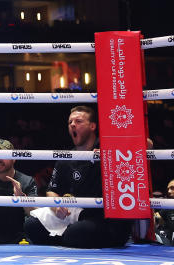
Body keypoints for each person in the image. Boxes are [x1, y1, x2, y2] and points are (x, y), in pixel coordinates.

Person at [23, 106, 131, 248]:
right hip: (74, 216)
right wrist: (57, 206)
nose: (73, 124)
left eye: (78, 121)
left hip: (103, 218)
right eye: (70, 122)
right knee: (31, 225)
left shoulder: (108, 149)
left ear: (92, 126)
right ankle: (67, 239)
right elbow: (51, 190)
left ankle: (66, 238)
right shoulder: (66, 158)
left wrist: (113, 149)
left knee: (76, 233)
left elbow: (146, 144)